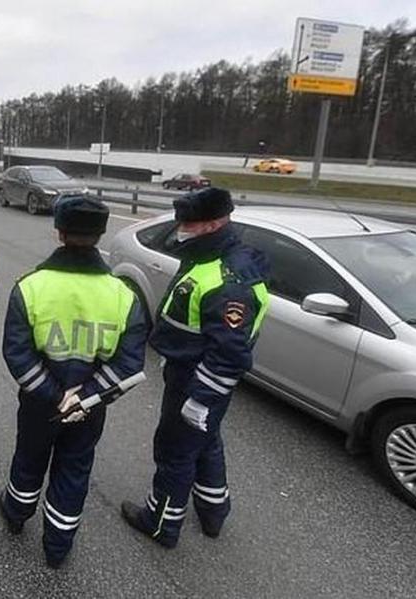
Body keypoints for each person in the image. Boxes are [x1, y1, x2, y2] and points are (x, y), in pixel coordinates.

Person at [0, 196, 147, 569]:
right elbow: (129, 363)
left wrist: (53, 396)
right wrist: (86, 398)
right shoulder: (122, 295)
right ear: (100, 234)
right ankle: (57, 547)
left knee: (29, 459)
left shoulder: (30, 286)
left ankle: (16, 515)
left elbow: (17, 354)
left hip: (39, 402)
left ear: (59, 232)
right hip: (89, 407)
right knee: (74, 468)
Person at [121, 187, 269, 548]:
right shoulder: (208, 255)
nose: (181, 229)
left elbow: (229, 353)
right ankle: (214, 512)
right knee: (205, 443)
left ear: (216, 223)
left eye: (190, 223)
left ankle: (160, 523)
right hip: (188, 370)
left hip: (197, 379)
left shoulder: (228, 280)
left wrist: (201, 399)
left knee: (175, 449)